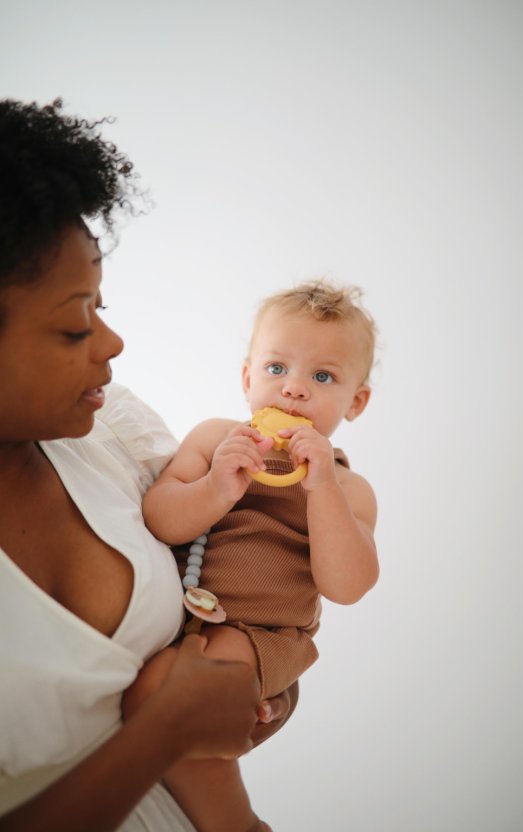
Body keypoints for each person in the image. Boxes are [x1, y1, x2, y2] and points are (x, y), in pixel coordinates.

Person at [0, 98, 297, 832]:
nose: (111, 342)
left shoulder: (112, 430)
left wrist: (261, 681)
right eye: (75, 323)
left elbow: (228, 581)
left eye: (101, 304)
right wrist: (167, 729)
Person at [127, 280, 380, 831]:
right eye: (276, 368)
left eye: (322, 377)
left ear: (355, 402)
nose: (293, 390)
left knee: (169, 694)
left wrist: (323, 493)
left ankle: (238, 824)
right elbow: (158, 518)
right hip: (185, 615)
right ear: (247, 378)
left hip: (262, 637)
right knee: (158, 704)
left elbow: (347, 586)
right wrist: (216, 488)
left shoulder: (348, 488)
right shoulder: (216, 439)